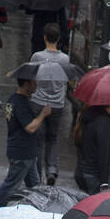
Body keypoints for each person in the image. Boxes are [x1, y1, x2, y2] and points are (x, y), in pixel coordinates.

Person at [0, 75, 52, 213]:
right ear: (26, 83)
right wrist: (43, 114)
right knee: (10, 187)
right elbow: (30, 127)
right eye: (34, 82)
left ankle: (39, 213)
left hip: (26, 152)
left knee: (35, 187)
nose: (36, 85)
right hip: (22, 152)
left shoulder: (13, 100)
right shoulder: (21, 103)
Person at [29, 22, 74, 184]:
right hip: (57, 103)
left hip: (38, 101)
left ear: (45, 37)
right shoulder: (65, 59)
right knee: (52, 138)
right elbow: (66, 79)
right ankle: (52, 169)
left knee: (38, 139)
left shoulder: (37, 57)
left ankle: (37, 173)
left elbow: (31, 77)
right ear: (59, 39)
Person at [74, 103, 110, 194]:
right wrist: (104, 182)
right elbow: (104, 153)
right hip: (94, 176)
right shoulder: (104, 123)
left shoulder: (87, 117)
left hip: (82, 172)